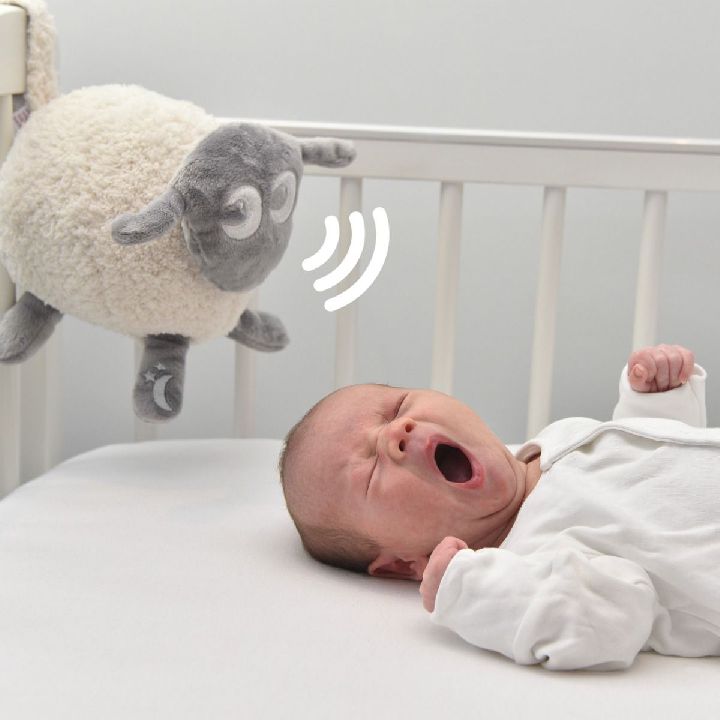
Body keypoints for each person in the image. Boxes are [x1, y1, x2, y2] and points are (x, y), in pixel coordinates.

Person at [279, 344, 720, 670]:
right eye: (371, 470)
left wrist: (655, 405)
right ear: (401, 564)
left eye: (397, 407)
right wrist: (475, 592)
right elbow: (614, 620)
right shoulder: (533, 559)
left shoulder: (557, 437)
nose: (398, 431)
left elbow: (655, 472)